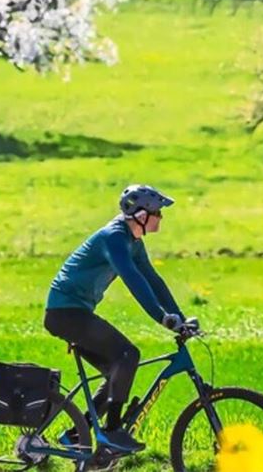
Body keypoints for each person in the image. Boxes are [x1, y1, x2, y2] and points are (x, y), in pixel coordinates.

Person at [44, 185, 191, 454]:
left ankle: (78, 434)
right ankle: (112, 432)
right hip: (65, 312)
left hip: (77, 312)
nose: (161, 217)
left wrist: (181, 318)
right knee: (128, 354)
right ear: (140, 215)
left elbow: (153, 281)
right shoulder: (114, 238)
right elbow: (134, 280)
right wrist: (162, 318)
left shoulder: (133, 242)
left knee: (116, 370)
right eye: (157, 212)